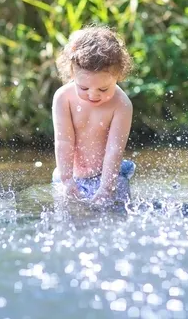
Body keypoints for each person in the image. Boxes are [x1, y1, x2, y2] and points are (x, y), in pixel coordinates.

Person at [52, 25, 135, 206]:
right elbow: (64, 142)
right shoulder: (63, 98)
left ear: (118, 75)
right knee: (68, 217)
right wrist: (67, 180)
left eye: (103, 89)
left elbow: (114, 150)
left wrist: (106, 188)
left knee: (115, 214)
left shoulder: (121, 105)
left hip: (108, 176)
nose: (93, 95)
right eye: (83, 88)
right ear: (72, 73)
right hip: (69, 175)